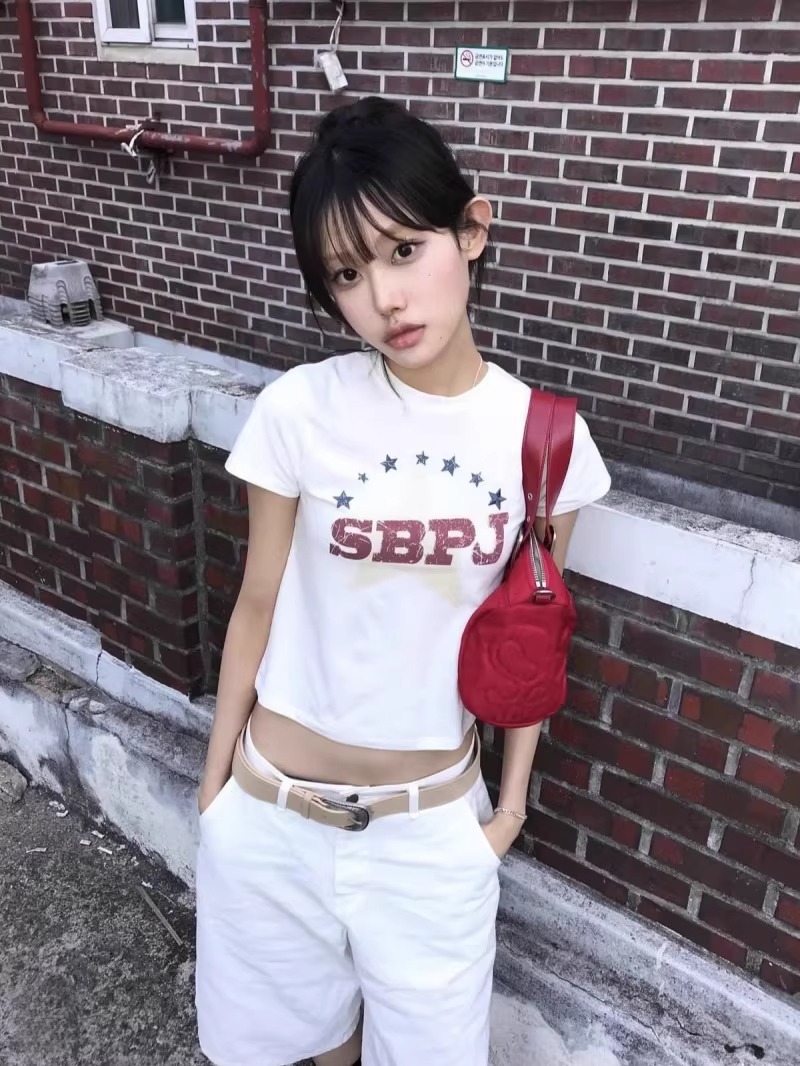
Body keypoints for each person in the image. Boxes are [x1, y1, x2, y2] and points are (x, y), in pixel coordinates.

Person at [194, 95, 611, 1066]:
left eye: (403, 250)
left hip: (430, 836)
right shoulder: (300, 410)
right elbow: (257, 602)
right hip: (269, 818)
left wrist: (507, 814)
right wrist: (215, 791)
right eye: (347, 273)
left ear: (471, 231)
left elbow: (534, 642)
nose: (384, 296)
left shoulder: (543, 439)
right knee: (304, 1046)